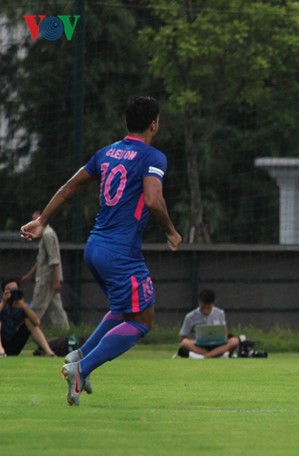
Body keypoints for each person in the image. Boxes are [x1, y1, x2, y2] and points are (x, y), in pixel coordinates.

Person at [20, 96, 182, 406]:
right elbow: (152, 200)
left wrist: (42, 220)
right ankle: (82, 368)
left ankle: (78, 355)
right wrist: (171, 232)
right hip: (121, 253)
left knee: (123, 310)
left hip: (95, 247)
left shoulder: (107, 153)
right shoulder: (153, 157)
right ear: (154, 124)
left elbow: (69, 187)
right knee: (142, 322)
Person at [21, 210, 70, 330]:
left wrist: (56, 280)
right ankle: (65, 333)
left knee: (37, 307)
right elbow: (40, 260)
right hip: (46, 276)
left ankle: (27, 332)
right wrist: (29, 275)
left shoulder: (48, 234)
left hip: (47, 278)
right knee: (56, 308)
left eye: (36, 220)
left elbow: (54, 260)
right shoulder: (43, 235)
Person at [0, 278, 56, 357]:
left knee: (29, 321)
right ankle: (0, 350)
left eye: (14, 290)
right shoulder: (2, 305)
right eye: (8, 290)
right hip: (2, 341)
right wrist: (4, 302)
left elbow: (37, 322)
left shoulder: (22, 306)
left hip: (12, 345)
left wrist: (23, 306)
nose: (11, 293)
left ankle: (49, 352)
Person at [177, 289, 240, 359]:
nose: (205, 310)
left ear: (214, 303)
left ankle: (205, 356)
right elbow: (182, 337)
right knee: (185, 342)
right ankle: (217, 355)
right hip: (200, 345)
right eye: (203, 307)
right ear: (199, 302)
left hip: (217, 344)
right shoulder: (190, 316)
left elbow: (224, 332)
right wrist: (195, 341)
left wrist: (223, 339)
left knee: (234, 341)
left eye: (208, 308)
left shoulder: (220, 313)